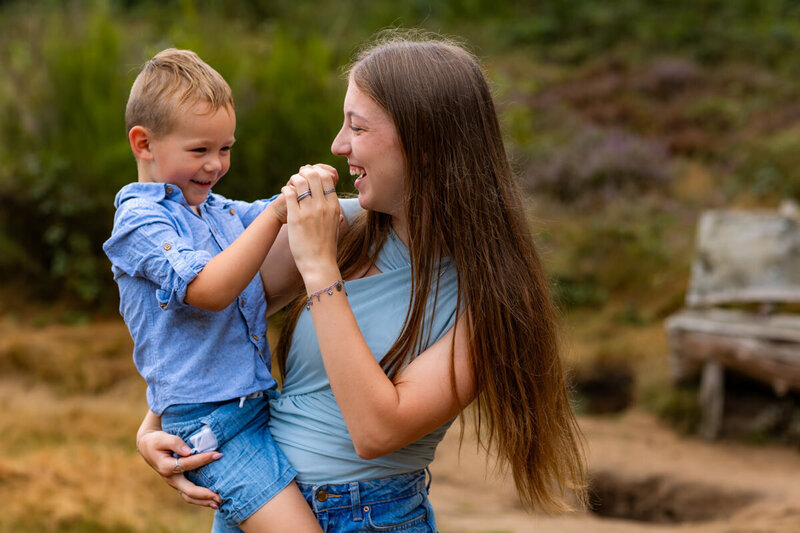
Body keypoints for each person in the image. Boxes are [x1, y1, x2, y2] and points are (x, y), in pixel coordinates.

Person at [136, 34, 588, 532]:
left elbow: (378, 430)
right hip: (261, 503)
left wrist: (320, 272)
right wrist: (158, 425)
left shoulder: (496, 295)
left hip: (370, 516)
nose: (338, 145)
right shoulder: (341, 225)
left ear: (424, 142)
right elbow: (210, 317)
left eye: (357, 126)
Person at [103, 48, 325, 532]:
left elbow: (273, 217)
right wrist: (275, 214)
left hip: (255, 405)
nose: (216, 165)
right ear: (144, 144)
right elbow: (208, 289)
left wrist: (309, 194)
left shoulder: (214, 209)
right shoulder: (140, 220)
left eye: (225, 149)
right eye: (200, 151)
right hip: (211, 427)